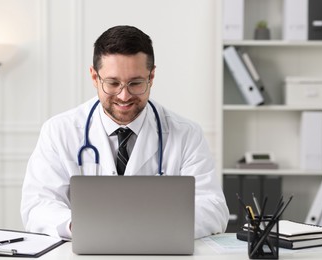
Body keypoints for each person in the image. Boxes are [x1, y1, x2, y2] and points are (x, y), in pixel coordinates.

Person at [21, 25, 229, 239]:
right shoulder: (59, 131)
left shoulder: (186, 134)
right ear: (94, 77)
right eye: (113, 83)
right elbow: (38, 205)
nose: (124, 96)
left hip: (157, 249)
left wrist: (147, 227)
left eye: (136, 83)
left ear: (152, 76)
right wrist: (79, 226)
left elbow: (212, 208)